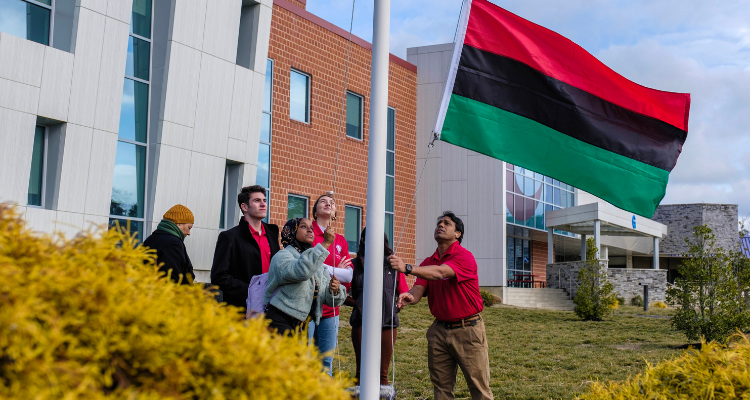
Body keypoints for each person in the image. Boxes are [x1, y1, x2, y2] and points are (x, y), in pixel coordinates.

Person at [389, 211, 492, 400]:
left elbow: (440, 273)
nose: (440, 225)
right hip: (439, 331)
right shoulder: (429, 262)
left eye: (447, 223)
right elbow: (418, 290)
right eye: (439, 223)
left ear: (458, 234)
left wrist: (407, 268)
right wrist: (409, 296)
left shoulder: (464, 257)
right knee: (441, 390)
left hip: (468, 330)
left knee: (479, 389)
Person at [264, 218, 347, 335]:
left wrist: (334, 290)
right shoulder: (282, 256)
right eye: (303, 227)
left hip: (303, 326)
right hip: (279, 320)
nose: (310, 230)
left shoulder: (316, 263)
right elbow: (300, 271)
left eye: (311, 228)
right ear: (292, 231)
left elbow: (326, 298)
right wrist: (325, 244)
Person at [348, 227, 410, 385]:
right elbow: (340, 293)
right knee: (361, 374)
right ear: (363, 240)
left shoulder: (393, 264)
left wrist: (398, 304)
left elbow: (403, 291)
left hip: (387, 322)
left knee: (383, 376)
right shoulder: (354, 264)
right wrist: (358, 303)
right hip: (362, 322)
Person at [211, 185, 280, 311]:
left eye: (264, 200)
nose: (263, 204)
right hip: (242, 308)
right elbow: (219, 276)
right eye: (257, 201)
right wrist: (252, 290)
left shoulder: (272, 233)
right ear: (244, 207)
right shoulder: (229, 237)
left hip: (272, 306)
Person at [309, 194, 353, 375]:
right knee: (304, 359)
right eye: (323, 201)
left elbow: (348, 276)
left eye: (332, 203)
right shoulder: (307, 231)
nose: (328, 203)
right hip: (307, 308)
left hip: (331, 310)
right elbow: (309, 265)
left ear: (335, 213)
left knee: (325, 361)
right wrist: (335, 269)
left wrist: (325, 267)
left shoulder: (340, 240)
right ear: (314, 211)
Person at [143, 204, 195, 285]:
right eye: (189, 227)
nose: (189, 233)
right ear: (178, 223)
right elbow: (173, 280)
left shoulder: (151, 238)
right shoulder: (173, 243)